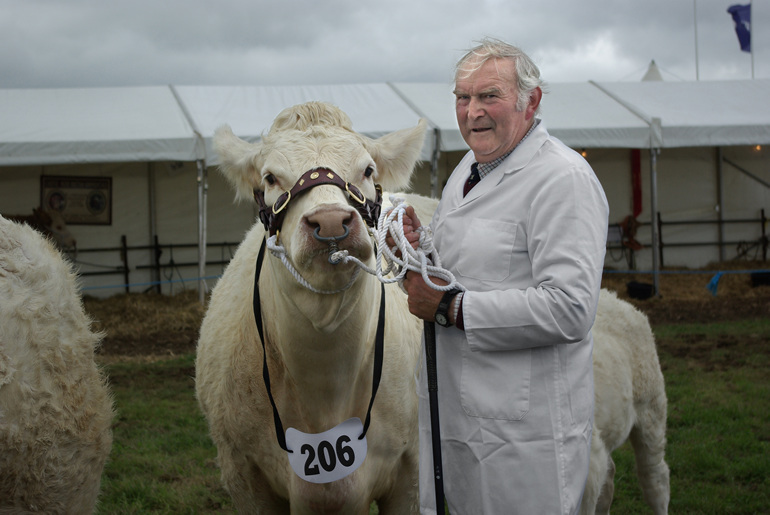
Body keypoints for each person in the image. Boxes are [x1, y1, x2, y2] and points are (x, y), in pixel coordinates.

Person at [396, 38, 609, 514]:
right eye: (462, 97)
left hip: (524, 437)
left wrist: (452, 308)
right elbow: (469, 265)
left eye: (489, 95)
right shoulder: (467, 171)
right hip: (462, 416)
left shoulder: (562, 179)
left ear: (530, 101)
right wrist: (417, 248)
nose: (473, 111)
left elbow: (570, 308)